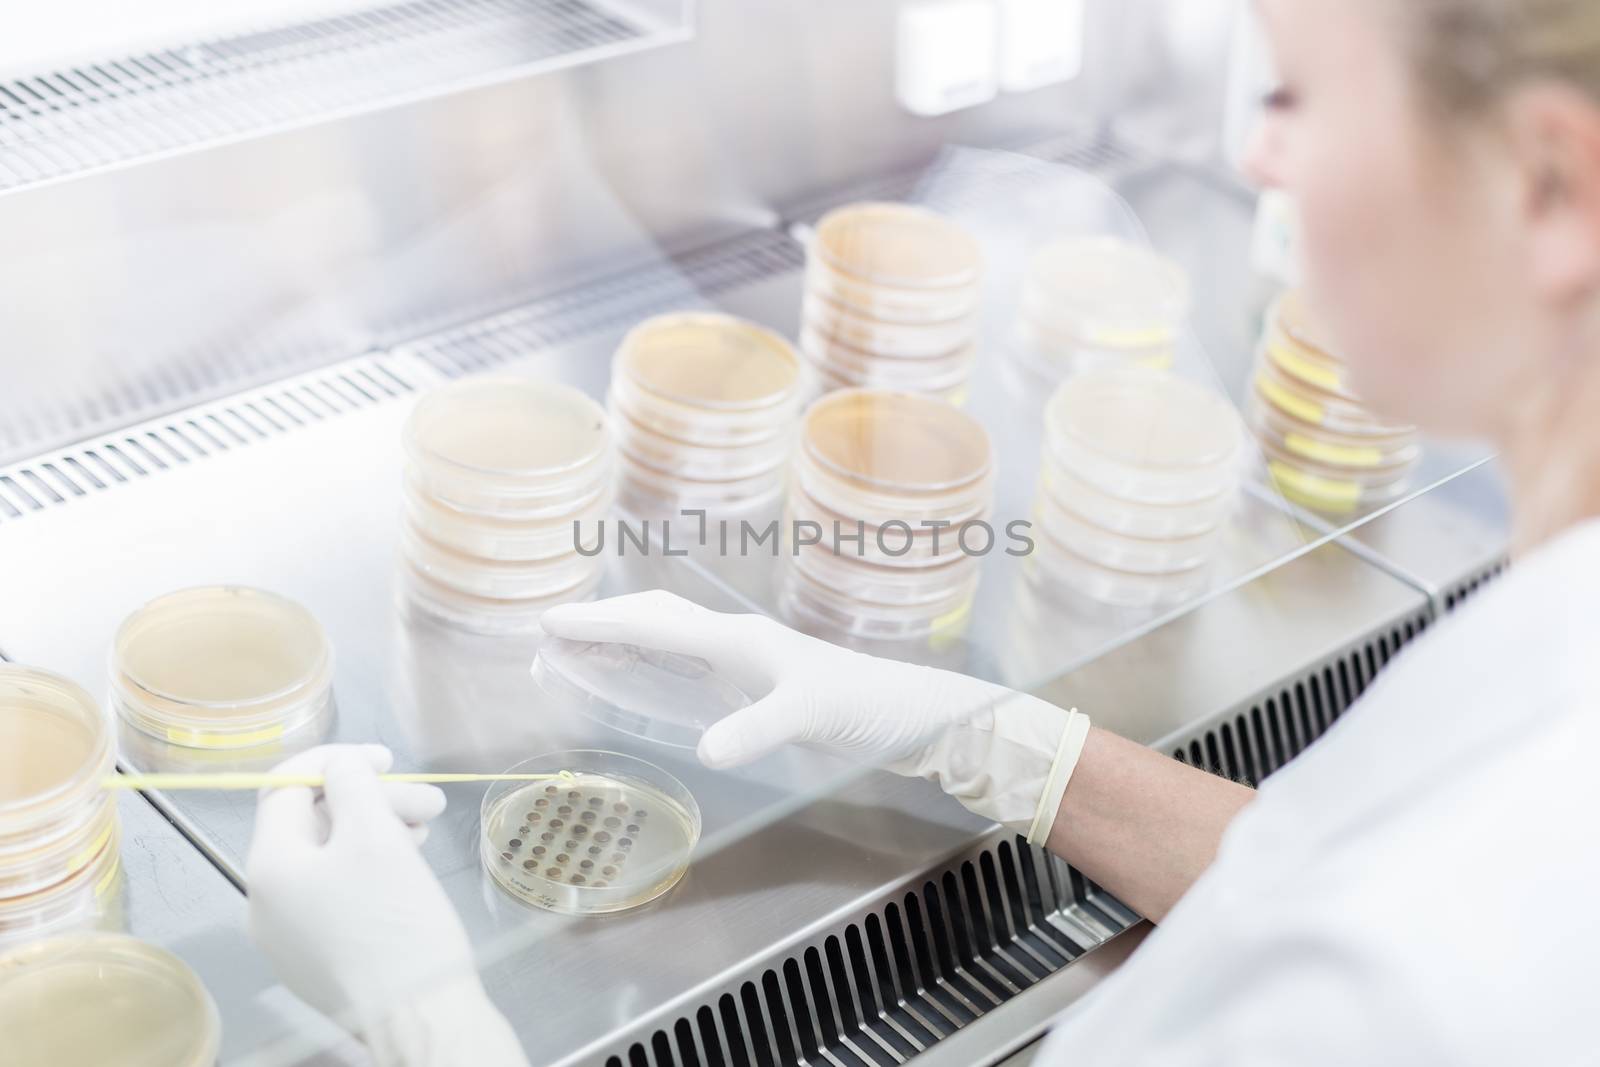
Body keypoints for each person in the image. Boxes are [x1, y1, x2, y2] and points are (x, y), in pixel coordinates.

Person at [248, 0, 1600, 1061]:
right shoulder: (1555, 643)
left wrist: (426, 1018)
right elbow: (1313, 877)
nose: (1258, 154)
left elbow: (1370, 957)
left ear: (1550, 185)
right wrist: (979, 736)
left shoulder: (1416, 994)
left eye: (1297, 91)